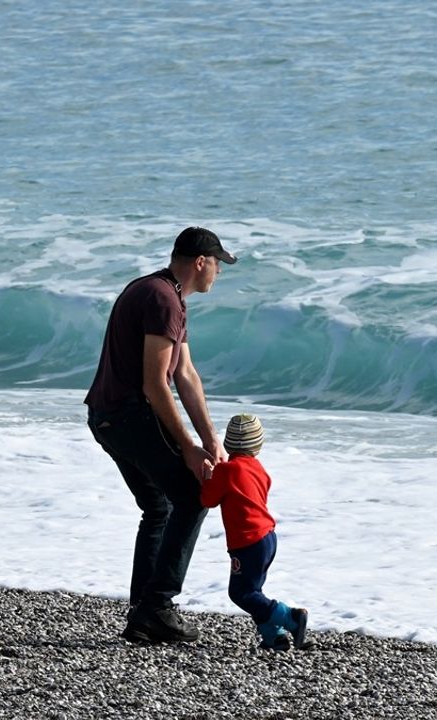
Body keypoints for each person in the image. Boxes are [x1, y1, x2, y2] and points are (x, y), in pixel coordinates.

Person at [85, 226, 236, 644]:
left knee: (158, 507)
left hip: (108, 417)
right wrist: (188, 448)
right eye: (218, 266)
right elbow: (156, 384)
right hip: (128, 416)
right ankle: (158, 605)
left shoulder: (166, 295)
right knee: (191, 496)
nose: (218, 275)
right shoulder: (162, 299)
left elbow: (185, 375)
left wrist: (211, 441)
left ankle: (144, 612)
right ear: (200, 262)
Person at [200, 413, 311, 651]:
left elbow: (208, 500)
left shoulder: (226, 471)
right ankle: (274, 637)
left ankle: (290, 617)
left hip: (247, 541)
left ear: (228, 443)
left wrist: (208, 475)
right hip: (267, 537)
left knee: (241, 593)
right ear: (258, 445)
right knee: (254, 591)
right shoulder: (259, 469)